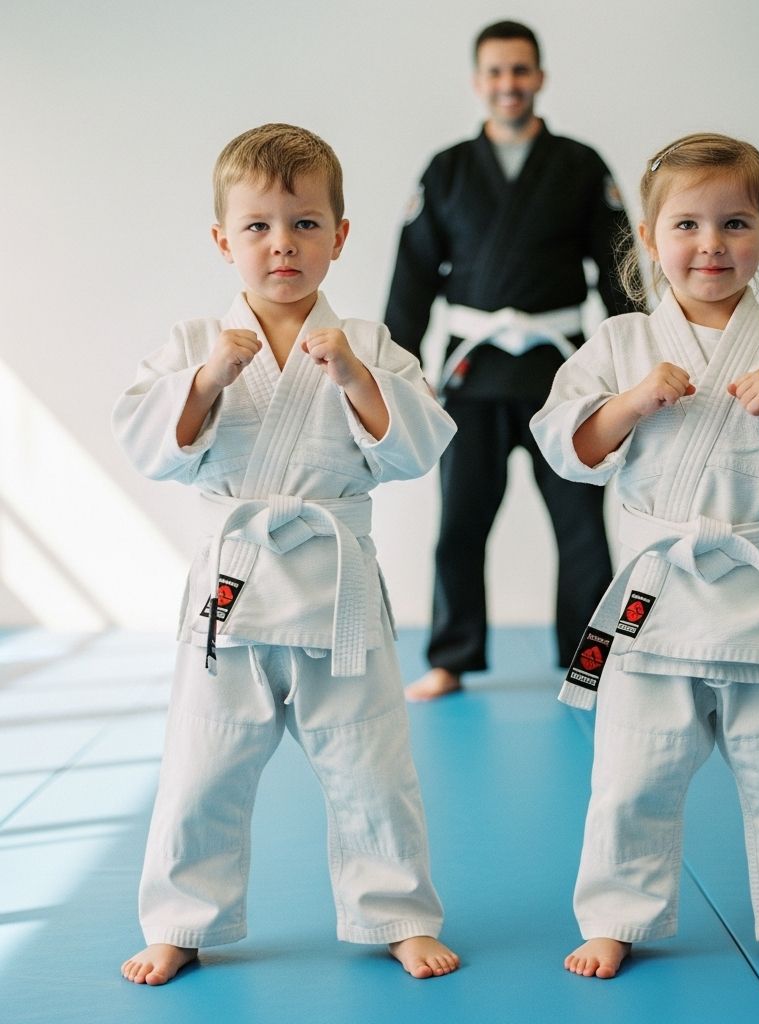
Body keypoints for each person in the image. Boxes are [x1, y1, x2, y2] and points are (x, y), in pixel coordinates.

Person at [531, 132, 759, 981]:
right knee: (629, 774)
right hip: (653, 604)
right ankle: (617, 916)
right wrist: (633, 401)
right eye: (687, 226)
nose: (711, 244)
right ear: (651, 240)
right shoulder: (621, 343)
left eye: (735, 223)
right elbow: (567, 445)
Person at [113, 124, 460, 985]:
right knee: (202, 760)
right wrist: (204, 384)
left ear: (340, 237)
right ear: (223, 239)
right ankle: (180, 921)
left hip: (336, 586)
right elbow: (148, 446)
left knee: (370, 760)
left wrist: (353, 379)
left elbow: (417, 449)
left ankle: (399, 912)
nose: (282, 244)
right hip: (230, 593)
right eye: (259, 225)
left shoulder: (368, 346)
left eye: (305, 224)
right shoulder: (194, 343)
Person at [384, 20, 643, 701]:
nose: (509, 84)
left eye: (520, 71)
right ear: (479, 82)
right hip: (472, 379)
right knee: (461, 524)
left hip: (566, 380)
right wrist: (398, 372)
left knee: (583, 528)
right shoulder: (446, 170)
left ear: (540, 77)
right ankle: (451, 658)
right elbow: (412, 280)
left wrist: (641, 358)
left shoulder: (581, 166)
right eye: (496, 72)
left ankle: (593, 662)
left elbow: (621, 272)